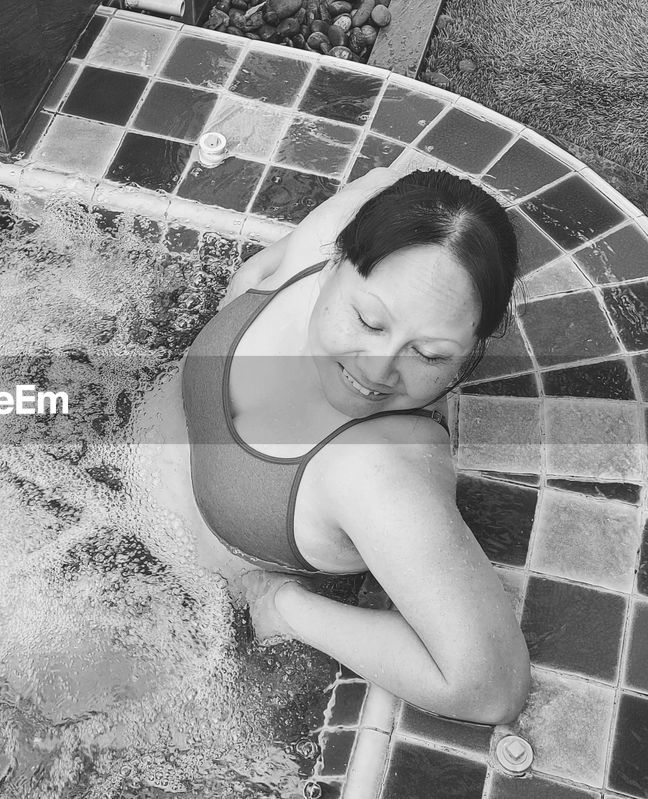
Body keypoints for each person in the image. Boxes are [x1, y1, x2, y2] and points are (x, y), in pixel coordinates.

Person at [143, 166, 531, 725]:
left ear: (470, 357)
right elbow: (388, 175)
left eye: (430, 355)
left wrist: (287, 609)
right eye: (370, 321)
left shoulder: (377, 470)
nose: (376, 371)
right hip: (91, 468)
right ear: (333, 262)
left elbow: (489, 686)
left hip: (167, 607)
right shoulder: (322, 238)